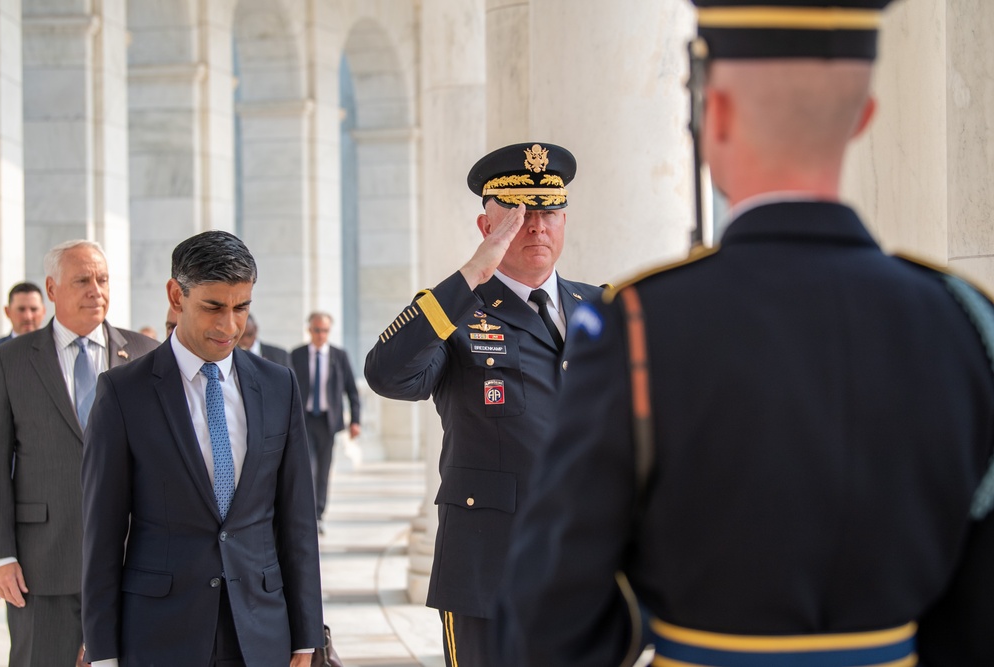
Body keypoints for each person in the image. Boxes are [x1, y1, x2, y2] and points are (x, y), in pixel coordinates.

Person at [495, 2, 994, 666]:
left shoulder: (637, 326)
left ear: (715, 114)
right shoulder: (964, 322)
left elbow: (543, 624)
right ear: (864, 118)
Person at [365, 142, 603, 666]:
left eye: (548, 211)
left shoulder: (603, 307)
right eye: (518, 214)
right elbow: (387, 374)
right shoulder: (456, 315)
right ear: (486, 226)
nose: (536, 226)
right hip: (489, 567)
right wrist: (471, 274)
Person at [81, 230, 324, 666]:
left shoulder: (278, 385)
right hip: (160, 632)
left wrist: (306, 637)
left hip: (261, 629)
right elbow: (102, 533)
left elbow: (298, 521)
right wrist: (102, 653)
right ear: (177, 295)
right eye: (213, 307)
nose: (229, 326)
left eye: (241, 308)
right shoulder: (122, 392)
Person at [0, 240, 158, 667]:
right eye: (82, 280)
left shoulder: (145, 356)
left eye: (102, 279)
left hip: (132, 561)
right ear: (51, 288)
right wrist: (1, 555)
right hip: (40, 565)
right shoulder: (8, 361)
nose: (96, 290)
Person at [291, 313, 360, 532]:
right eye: (316, 330)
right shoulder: (297, 355)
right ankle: (307, 515)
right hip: (305, 420)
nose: (320, 334)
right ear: (309, 330)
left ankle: (319, 515)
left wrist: (355, 420)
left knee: (323, 471)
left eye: (324, 330)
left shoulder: (339, 356)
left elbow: (351, 390)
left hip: (328, 422)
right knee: (307, 469)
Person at [0, 282, 46, 348]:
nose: (28, 317)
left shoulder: (56, 349)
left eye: (33, 309)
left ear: (43, 311)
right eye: (21, 309)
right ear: (7, 311)